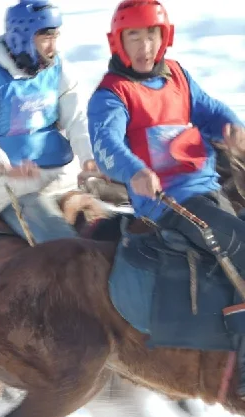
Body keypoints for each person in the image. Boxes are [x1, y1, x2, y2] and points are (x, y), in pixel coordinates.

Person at [88, 0, 245, 387]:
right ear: (118, 42)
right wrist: (134, 171)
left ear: (164, 37)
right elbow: (106, 142)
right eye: (134, 36)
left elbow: (210, 112)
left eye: (151, 35)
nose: (144, 46)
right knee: (240, 244)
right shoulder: (112, 94)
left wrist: (233, 129)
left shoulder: (177, 76)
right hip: (167, 202)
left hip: (206, 187)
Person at [0, 1, 98, 243]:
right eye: (45, 37)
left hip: (60, 178)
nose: (53, 46)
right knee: (66, 248)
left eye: (55, 36)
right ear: (23, 37)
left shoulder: (59, 70)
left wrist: (88, 158)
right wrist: (1, 165)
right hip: (10, 189)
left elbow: (77, 118)